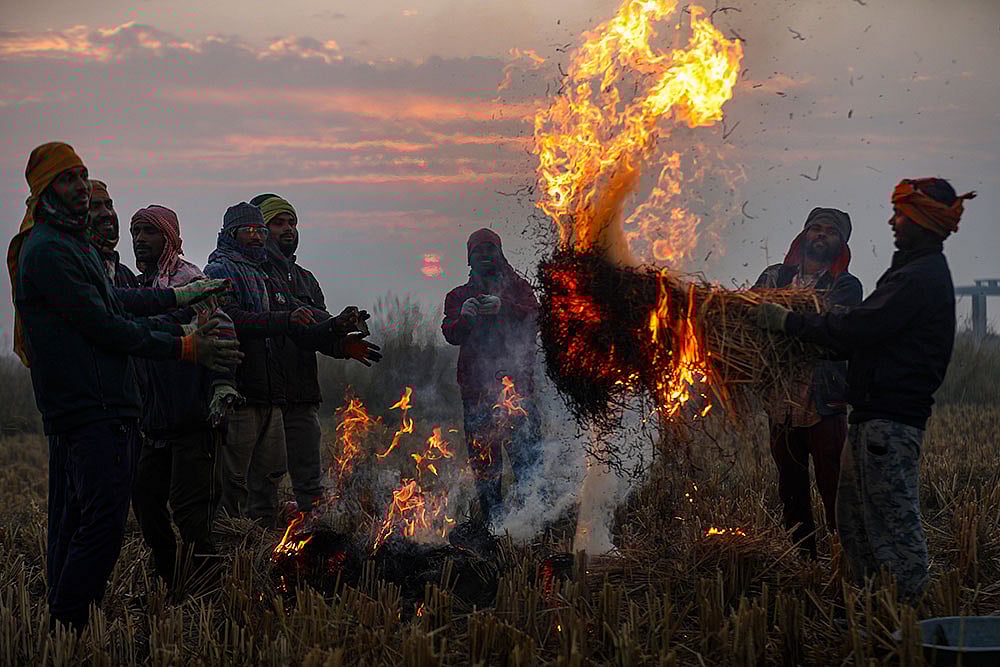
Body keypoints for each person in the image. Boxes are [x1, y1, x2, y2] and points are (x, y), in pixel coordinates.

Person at [6, 142, 242, 632]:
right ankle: (68, 626)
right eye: (69, 180)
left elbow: (116, 302)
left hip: (102, 406)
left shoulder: (71, 247)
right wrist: (185, 345)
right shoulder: (49, 251)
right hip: (91, 406)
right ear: (46, 190)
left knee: (78, 522)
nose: (80, 188)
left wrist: (181, 294)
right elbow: (106, 325)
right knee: (99, 528)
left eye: (84, 177)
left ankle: (67, 620)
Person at [755, 178, 976, 602]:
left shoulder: (915, 278)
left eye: (901, 215)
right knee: (854, 519)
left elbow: (856, 327)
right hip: (868, 414)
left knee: (890, 521)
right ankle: (867, 606)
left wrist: (788, 322)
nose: (893, 222)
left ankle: (908, 620)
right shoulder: (909, 271)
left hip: (887, 418)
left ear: (923, 222)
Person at [128, 204, 242, 591]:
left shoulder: (189, 281)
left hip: (194, 420)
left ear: (170, 237)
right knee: (145, 502)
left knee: (192, 514)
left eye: (149, 232)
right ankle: (170, 579)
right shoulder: (142, 289)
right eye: (136, 232)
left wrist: (222, 384)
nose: (140, 240)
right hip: (155, 423)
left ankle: (209, 594)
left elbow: (222, 331)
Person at [251, 193, 381, 516]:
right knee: (262, 486)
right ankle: (259, 550)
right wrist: (334, 325)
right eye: (278, 223)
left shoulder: (306, 279)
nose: (288, 229)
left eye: (292, 222)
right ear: (259, 229)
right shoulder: (252, 277)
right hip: (262, 398)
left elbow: (313, 335)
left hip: (302, 394)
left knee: (310, 485)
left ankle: (315, 550)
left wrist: (341, 344)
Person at [752, 208, 862, 559]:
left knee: (833, 481)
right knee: (790, 483)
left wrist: (783, 320)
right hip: (780, 397)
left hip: (823, 400)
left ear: (840, 242)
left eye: (830, 231)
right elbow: (750, 312)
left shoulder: (845, 285)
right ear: (803, 236)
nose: (820, 235)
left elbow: (830, 325)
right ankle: (804, 556)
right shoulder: (774, 275)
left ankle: (842, 557)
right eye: (815, 228)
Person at [442, 229, 541, 525]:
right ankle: (493, 527)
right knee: (485, 469)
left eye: (490, 248)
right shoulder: (457, 296)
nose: (484, 254)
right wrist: (465, 316)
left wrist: (505, 308)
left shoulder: (519, 289)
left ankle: (530, 524)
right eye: (477, 250)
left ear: (500, 252)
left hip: (517, 392)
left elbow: (537, 319)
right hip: (476, 394)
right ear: (469, 258)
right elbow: (451, 333)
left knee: (528, 464)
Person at [87, 179, 138, 288]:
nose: (107, 213)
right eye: (95, 207)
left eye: (109, 205)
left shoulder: (125, 275)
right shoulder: (79, 265)